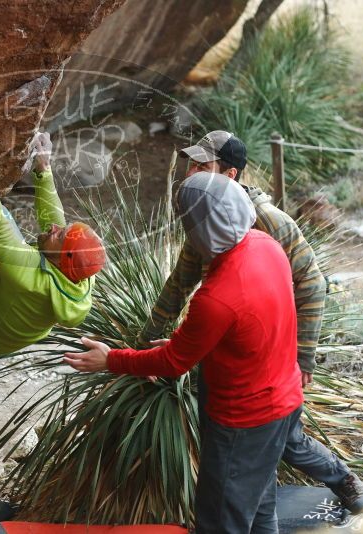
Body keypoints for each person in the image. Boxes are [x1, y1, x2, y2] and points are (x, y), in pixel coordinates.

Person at [137, 129, 363, 513]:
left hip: (271, 349)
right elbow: (179, 283)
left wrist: (303, 356)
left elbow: (312, 283)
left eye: (202, 165)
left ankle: (341, 478)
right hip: (227, 346)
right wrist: (145, 340)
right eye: (191, 163)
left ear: (229, 175)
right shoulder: (204, 211)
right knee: (221, 424)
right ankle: (258, 507)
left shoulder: (268, 223)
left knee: (285, 437)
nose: (191, 171)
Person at [65, 172, 303, 533]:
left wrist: (111, 358)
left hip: (244, 420)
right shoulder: (266, 246)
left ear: (198, 231)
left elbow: (174, 364)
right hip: (285, 402)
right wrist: (187, 343)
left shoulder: (217, 296)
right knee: (258, 504)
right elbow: (248, 326)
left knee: (222, 519)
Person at [0, 125, 105, 358]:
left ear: (59, 259)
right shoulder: (81, 271)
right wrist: (43, 167)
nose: (55, 228)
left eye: (59, 235)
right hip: (8, 297)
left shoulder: (27, 272)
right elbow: (53, 221)